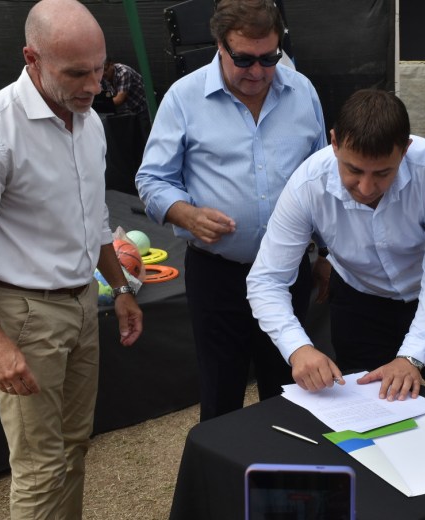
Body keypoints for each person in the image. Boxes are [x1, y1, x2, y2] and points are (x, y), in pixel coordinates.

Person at [0, 1, 143, 518]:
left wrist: (123, 289)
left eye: (99, 68)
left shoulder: (87, 121)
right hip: (23, 313)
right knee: (41, 467)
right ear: (31, 58)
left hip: (82, 300)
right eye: (75, 72)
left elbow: (92, 219)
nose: (93, 85)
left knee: (74, 446)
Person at [135, 0, 326, 421]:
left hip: (286, 273)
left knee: (291, 395)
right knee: (222, 397)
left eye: (269, 58)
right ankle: (225, 485)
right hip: (218, 276)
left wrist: (326, 254)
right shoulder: (184, 98)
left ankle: (284, 482)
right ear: (218, 45)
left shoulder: (302, 92)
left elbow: (323, 179)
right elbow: (151, 179)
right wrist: (185, 214)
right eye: (243, 59)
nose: (257, 72)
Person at [247, 89, 425, 402]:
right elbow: (266, 279)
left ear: (405, 150)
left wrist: (410, 358)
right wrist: (298, 348)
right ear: (335, 143)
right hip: (359, 303)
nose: (366, 187)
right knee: (366, 413)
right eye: (353, 170)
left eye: (383, 173)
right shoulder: (307, 185)